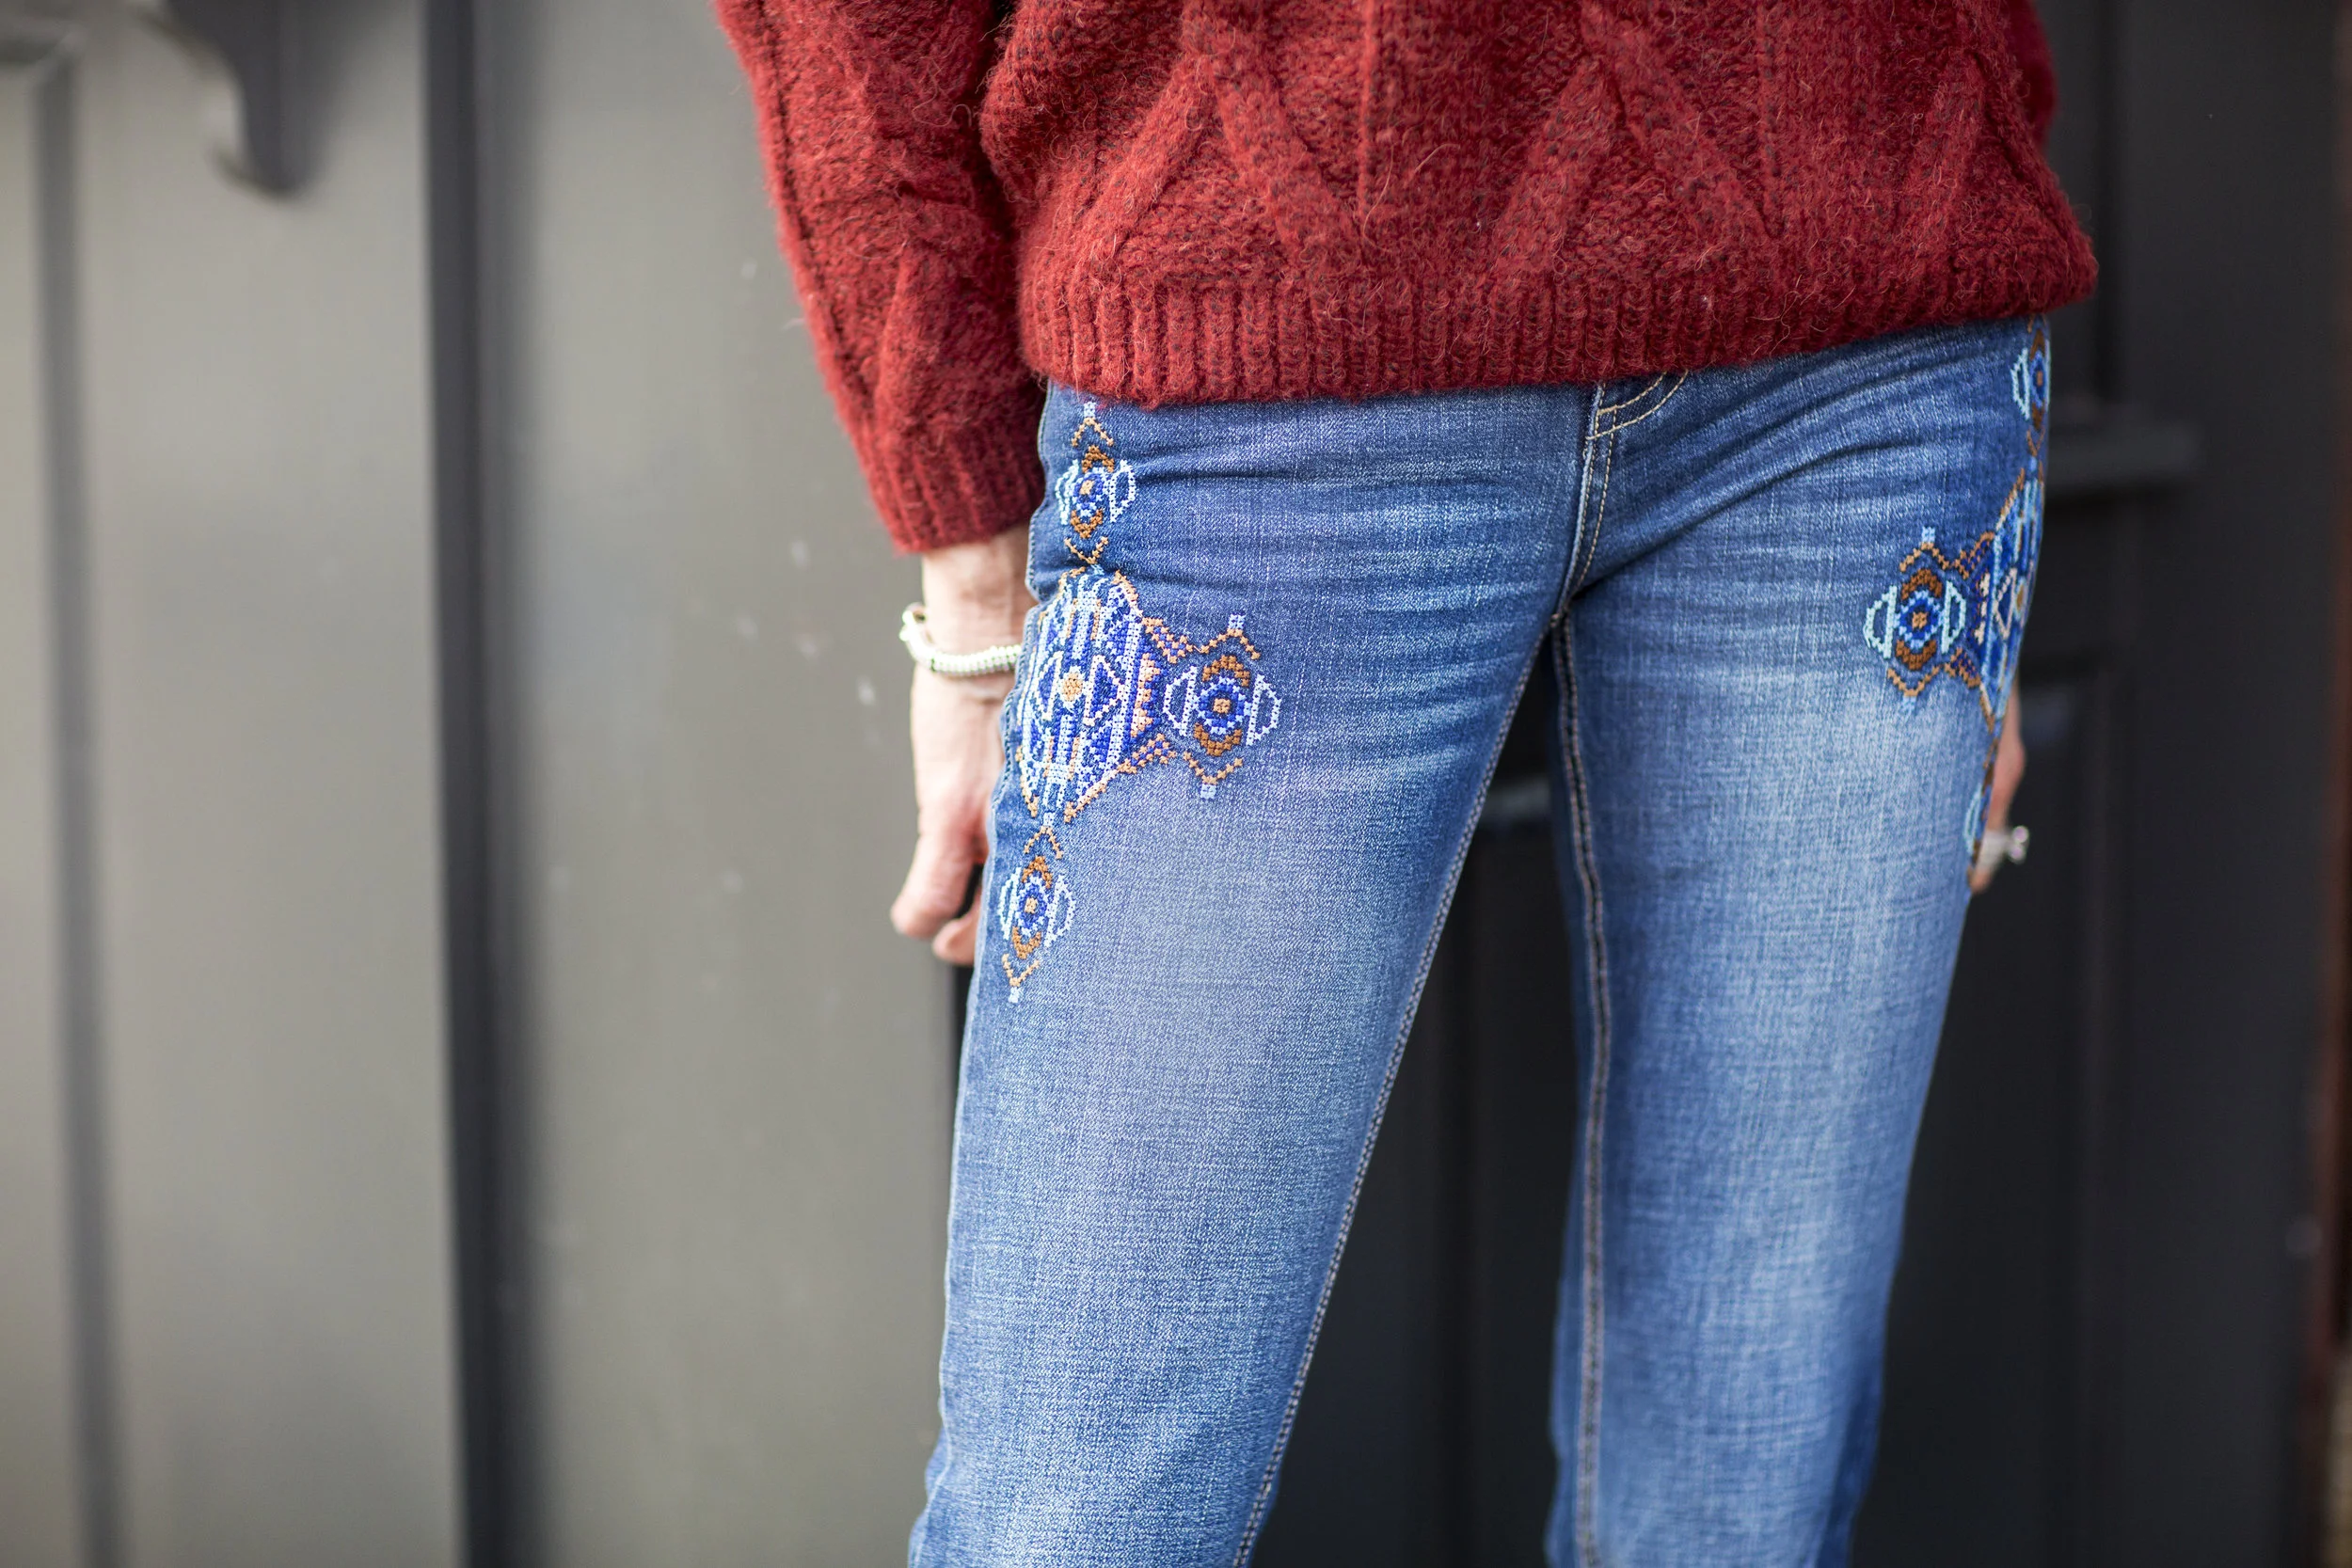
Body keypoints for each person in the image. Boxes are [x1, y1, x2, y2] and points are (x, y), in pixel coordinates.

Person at [718, 2, 2091, 1562]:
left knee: (1742, 1503)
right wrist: (972, 572)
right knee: (1083, 1514)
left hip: (1870, 350)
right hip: (1259, 349)